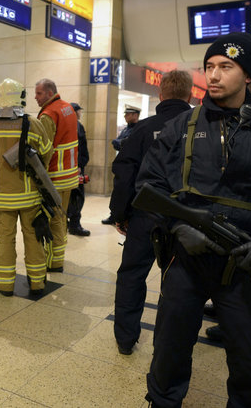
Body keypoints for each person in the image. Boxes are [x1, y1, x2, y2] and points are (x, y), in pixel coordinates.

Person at [137, 32, 251, 407]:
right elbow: (150, 182)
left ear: (249, 76)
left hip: (247, 260)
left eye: (226, 67)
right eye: (209, 67)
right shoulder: (180, 128)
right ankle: (162, 400)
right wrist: (178, 226)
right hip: (186, 259)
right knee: (170, 345)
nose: (215, 75)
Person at [109, 70, 193, 355]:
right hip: (188, 221)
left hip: (146, 216)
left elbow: (124, 173)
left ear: (160, 95)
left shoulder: (143, 129)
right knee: (181, 281)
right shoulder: (201, 128)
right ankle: (171, 345)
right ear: (190, 95)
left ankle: (125, 338)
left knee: (132, 274)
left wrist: (120, 214)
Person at [0, 79, 53, 296]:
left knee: (5, 241)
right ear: (22, 97)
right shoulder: (33, 123)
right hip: (30, 197)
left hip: (2, 198)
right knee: (33, 238)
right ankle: (37, 283)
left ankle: (5, 285)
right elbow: (47, 152)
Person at [34, 78, 79, 272]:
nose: (36, 97)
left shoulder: (49, 114)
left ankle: (54, 261)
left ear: (50, 92)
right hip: (69, 173)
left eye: (39, 93)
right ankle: (58, 256)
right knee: (62, 215)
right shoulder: (67, 107)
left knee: (55, 218)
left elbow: (45, 149)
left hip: (55, 175)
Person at [103, 107, 141, 225]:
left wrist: (121, 143)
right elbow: (117, 143)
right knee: (118, 191)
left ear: (135, 115)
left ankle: (125, 215)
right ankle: (113, 215)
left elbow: (125, 144)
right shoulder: (126, 129)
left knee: (128, 192)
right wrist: (121, 143)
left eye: (128, 114)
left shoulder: (139, 129)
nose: (125, 116)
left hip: (132, 166)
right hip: (123, 164)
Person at [67, 102, 91, 237]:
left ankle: (67, 223)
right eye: (79, 111)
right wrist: (79, 166)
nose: (80, 114)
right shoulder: (76, 126)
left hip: (71, 167)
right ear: (74, 112)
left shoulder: (73, 125)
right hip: (75, 169)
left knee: (69, 197)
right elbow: (78, 149)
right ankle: (75, 225)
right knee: (77, 197)